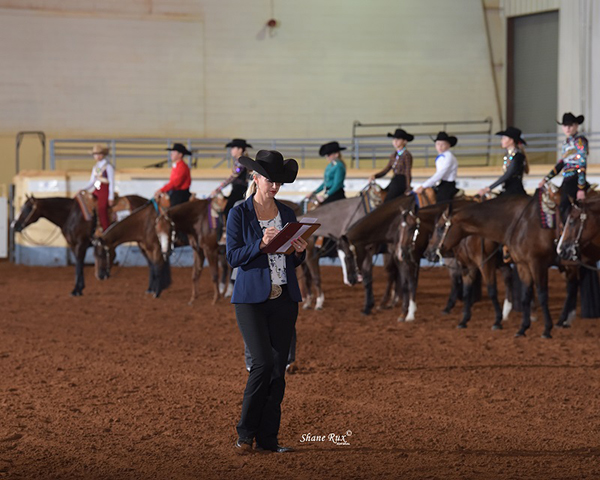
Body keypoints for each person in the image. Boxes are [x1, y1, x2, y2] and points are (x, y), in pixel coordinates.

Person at [226, 150, 307, 454]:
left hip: (284, 299)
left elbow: (294, 261)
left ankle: (268, 440)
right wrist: (260, 244)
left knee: (278, 370)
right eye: (270, 181)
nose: (274, 187)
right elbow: (233, 256)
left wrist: (299, 251)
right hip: (250, 300)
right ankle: (245, 433)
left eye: (278, 183)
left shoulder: (287, 214)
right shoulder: (239, 213)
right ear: (256, 178)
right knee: (262, 363)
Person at [539, 112, 588, 222]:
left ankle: (569, 234)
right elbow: (561, 163)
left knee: (564, 206)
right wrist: (546, 178)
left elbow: (581, 164)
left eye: (570, 125)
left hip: (574, 179)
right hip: (567, 179)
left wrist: (581, 188)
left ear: (576, 126)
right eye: (565, 126)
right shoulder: (566, 143)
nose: (568, 128)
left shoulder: (580, 141)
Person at [478, 127, 529, 197]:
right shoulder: (509, 156)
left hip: (514, 192)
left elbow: (508, 174)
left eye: (504, 138)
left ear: (511, 140)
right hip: (507, 190)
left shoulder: (518, 157)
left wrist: (489, 188)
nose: (501, 141)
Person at [211, 138, 253, 218]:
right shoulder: (242, 161)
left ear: (240, 149)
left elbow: (232, 177)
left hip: (238, 191)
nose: (231, 150)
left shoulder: (241, 162)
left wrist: (218, 189)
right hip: (239, 190)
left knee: (228, 210)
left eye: (233, 148)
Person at [370, 128, 414, 202]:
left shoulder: (406, 155)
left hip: (401, 181)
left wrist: (408, 187)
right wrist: (375, 176)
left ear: (404, 141)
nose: (395, 141)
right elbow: (387, 169)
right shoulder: (393, 155)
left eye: (398, 139)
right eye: (394, 139)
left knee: (388, 201)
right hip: (394, 180)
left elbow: (407, 172)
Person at [415, 131, 458, 203]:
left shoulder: (448, 157)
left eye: (443, 144)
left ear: (448, 145)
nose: (440, 146)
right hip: (442, 183)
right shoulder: (441, 156)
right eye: (438, 144)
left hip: (448, 185)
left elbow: (440, 174)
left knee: (440, 203)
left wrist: (424, 185)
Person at [81, 144, 115, 232]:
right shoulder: (96, 167)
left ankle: (106, 230)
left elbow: (111, 182)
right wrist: (84, 189)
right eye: (96, 154)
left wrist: (111, 197)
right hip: (97, 189)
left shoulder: (108, 167)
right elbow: (92, 181)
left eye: (99, 154)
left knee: (102, 208)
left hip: (105, 189)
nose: (97, 156)